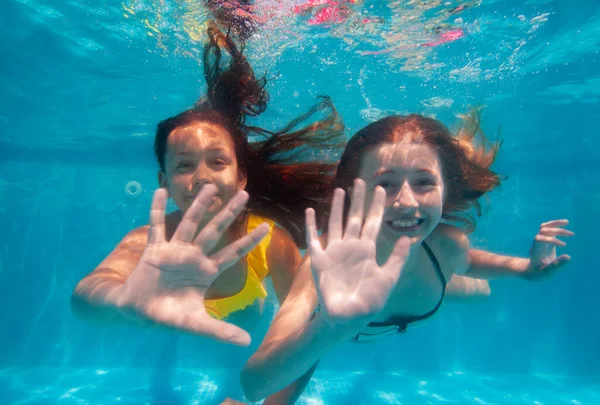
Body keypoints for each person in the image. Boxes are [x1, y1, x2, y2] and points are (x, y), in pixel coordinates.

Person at [71, 21, 345, 404]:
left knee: (251, 323)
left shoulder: (269, 241)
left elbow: (308, 335)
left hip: (248, 307)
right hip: (175, 319)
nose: (202, 178)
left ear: (241, 176)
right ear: (163, 181)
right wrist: (122, 302)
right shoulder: (148, 244)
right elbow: (86, 295)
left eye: (218, 162)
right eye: (184, 166)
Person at [240, 112, 573, 402]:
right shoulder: (324, 264)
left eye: (424, 182)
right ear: (357, 192)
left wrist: (526, 269)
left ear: (446, 189)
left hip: (437, 282)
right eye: (385, 184)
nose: (407, 203)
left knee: (480, 289)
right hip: (388, 306)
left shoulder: (446, 246)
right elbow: (253, 386)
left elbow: (470, 261)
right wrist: (328, 326)